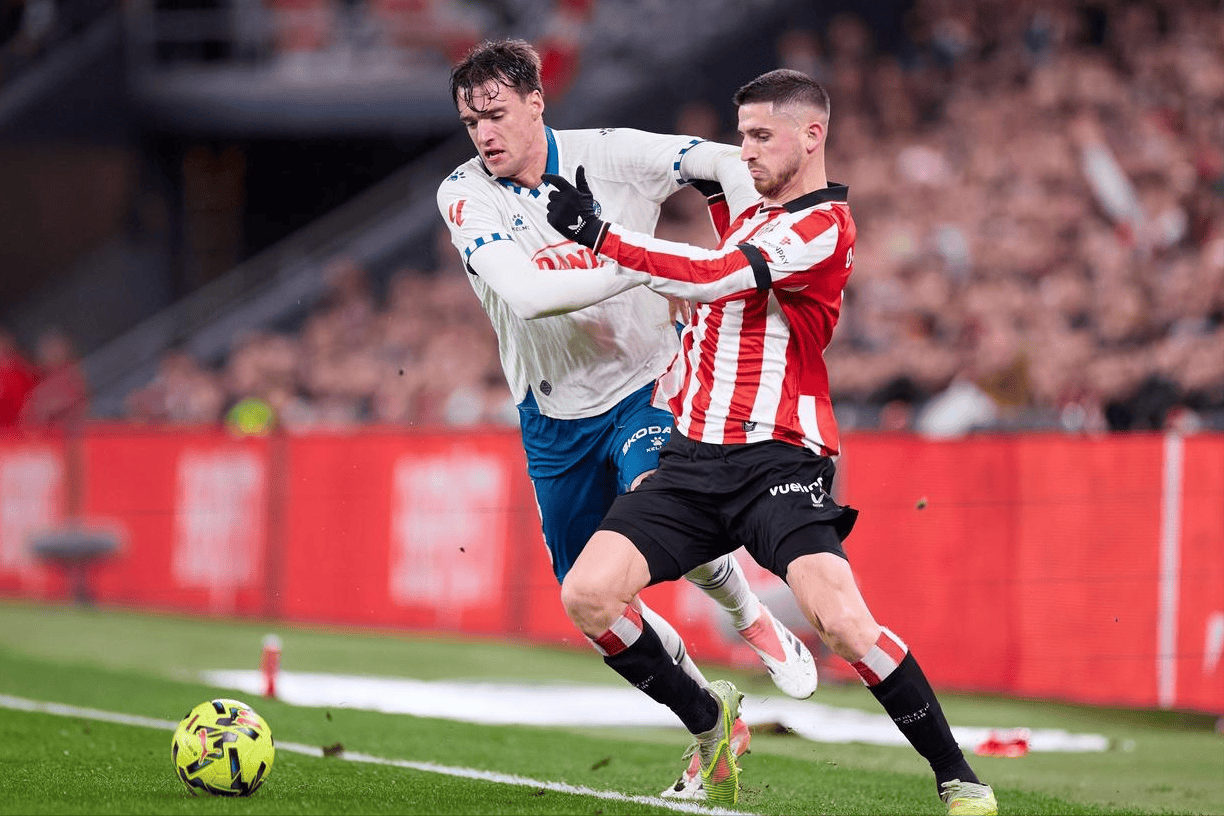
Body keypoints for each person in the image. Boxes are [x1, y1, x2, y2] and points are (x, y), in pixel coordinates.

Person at [542, 68, 998, 814]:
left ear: (812, 136)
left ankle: (959, 777)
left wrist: (601, 235)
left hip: (777, 461)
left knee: (843, 624)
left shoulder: (823, 227)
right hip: (692, 460)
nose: (745, 150)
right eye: (742, 135)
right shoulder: (753, 211)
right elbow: (689, 166)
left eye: (760, 136)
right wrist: (559, 158)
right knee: (587, 596)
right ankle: (710, 721)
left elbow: (714, 275)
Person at [435, 39, 820, 800]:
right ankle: (710, 720)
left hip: (651, 384)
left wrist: (747, 238)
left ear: (537, 102)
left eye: (497, 114)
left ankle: (750, 616)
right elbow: (530, 297)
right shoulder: (464, 193)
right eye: (471, 121)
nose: (484, 133)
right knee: (592, 603)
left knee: (659, 505)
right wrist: (650, 261)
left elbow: (725, 162)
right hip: (554, 416)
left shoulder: (609, 154)